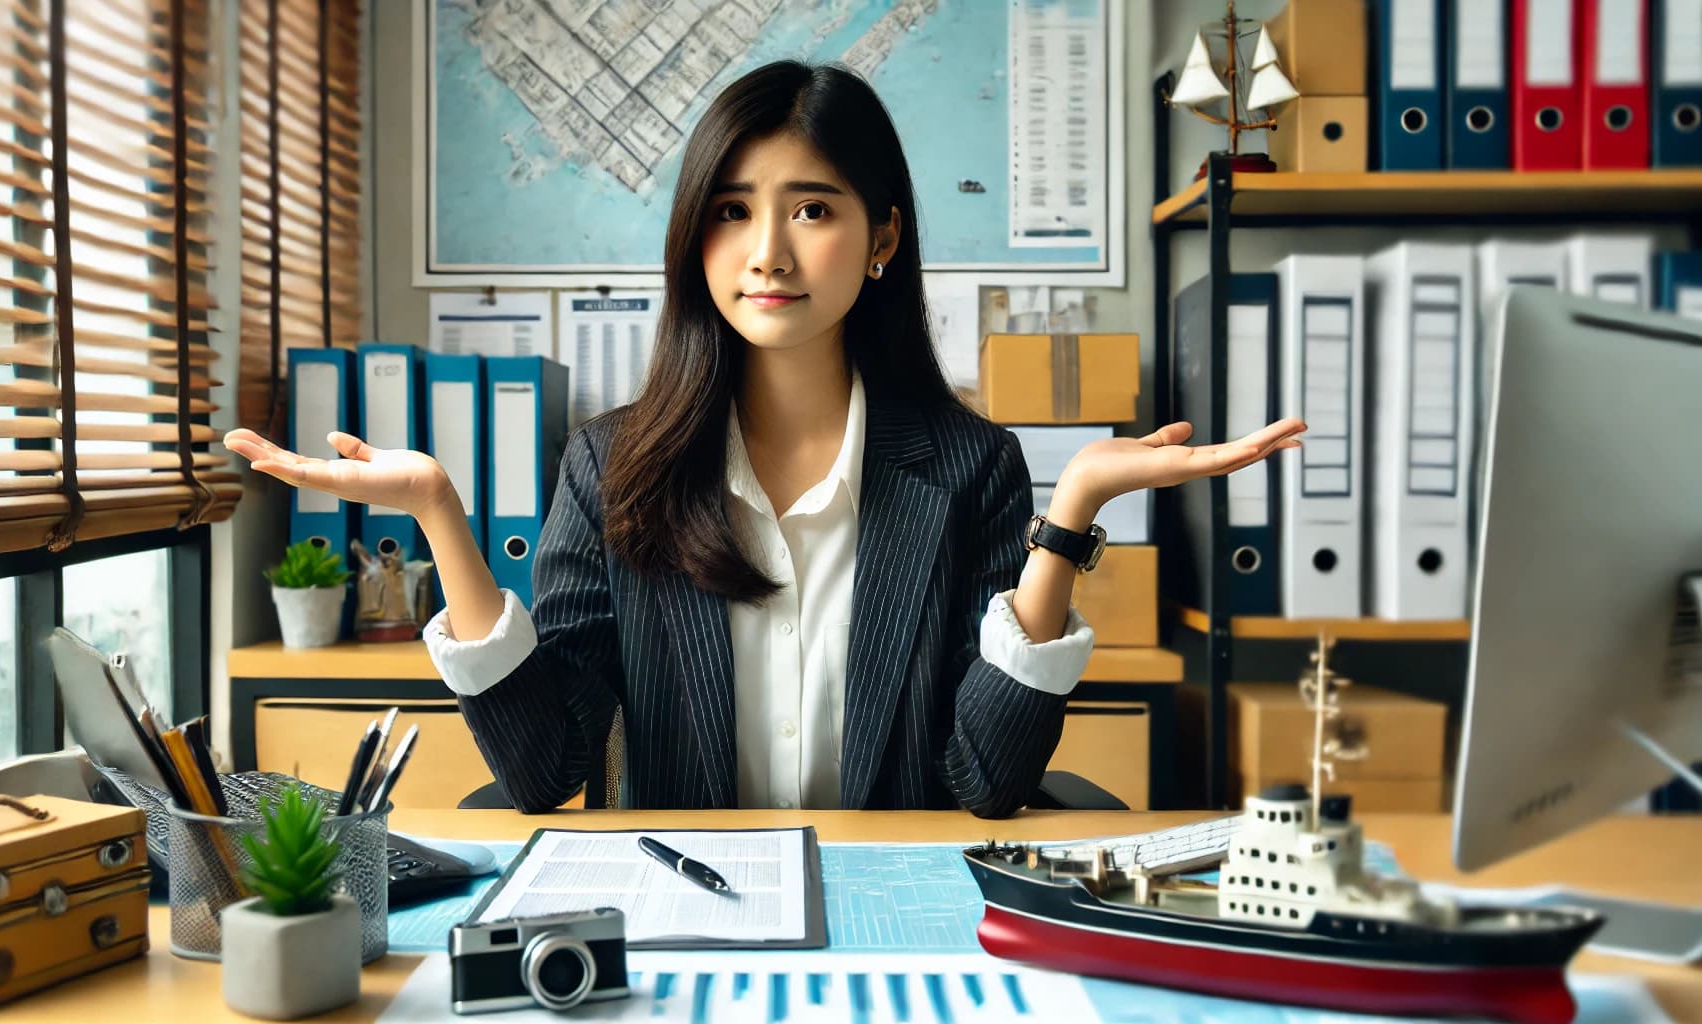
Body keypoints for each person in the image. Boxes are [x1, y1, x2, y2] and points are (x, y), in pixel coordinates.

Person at [226, 61, 1302, 817]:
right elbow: (541, 768)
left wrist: (1068, 519)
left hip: (896, 916)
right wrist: (439, 518)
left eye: (813, 209)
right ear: (696, 233)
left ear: (882, 236)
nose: (768, 252)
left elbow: (986, 779)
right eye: (733, 209)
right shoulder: (611, 469)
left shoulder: (969, 466)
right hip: (683, 923)